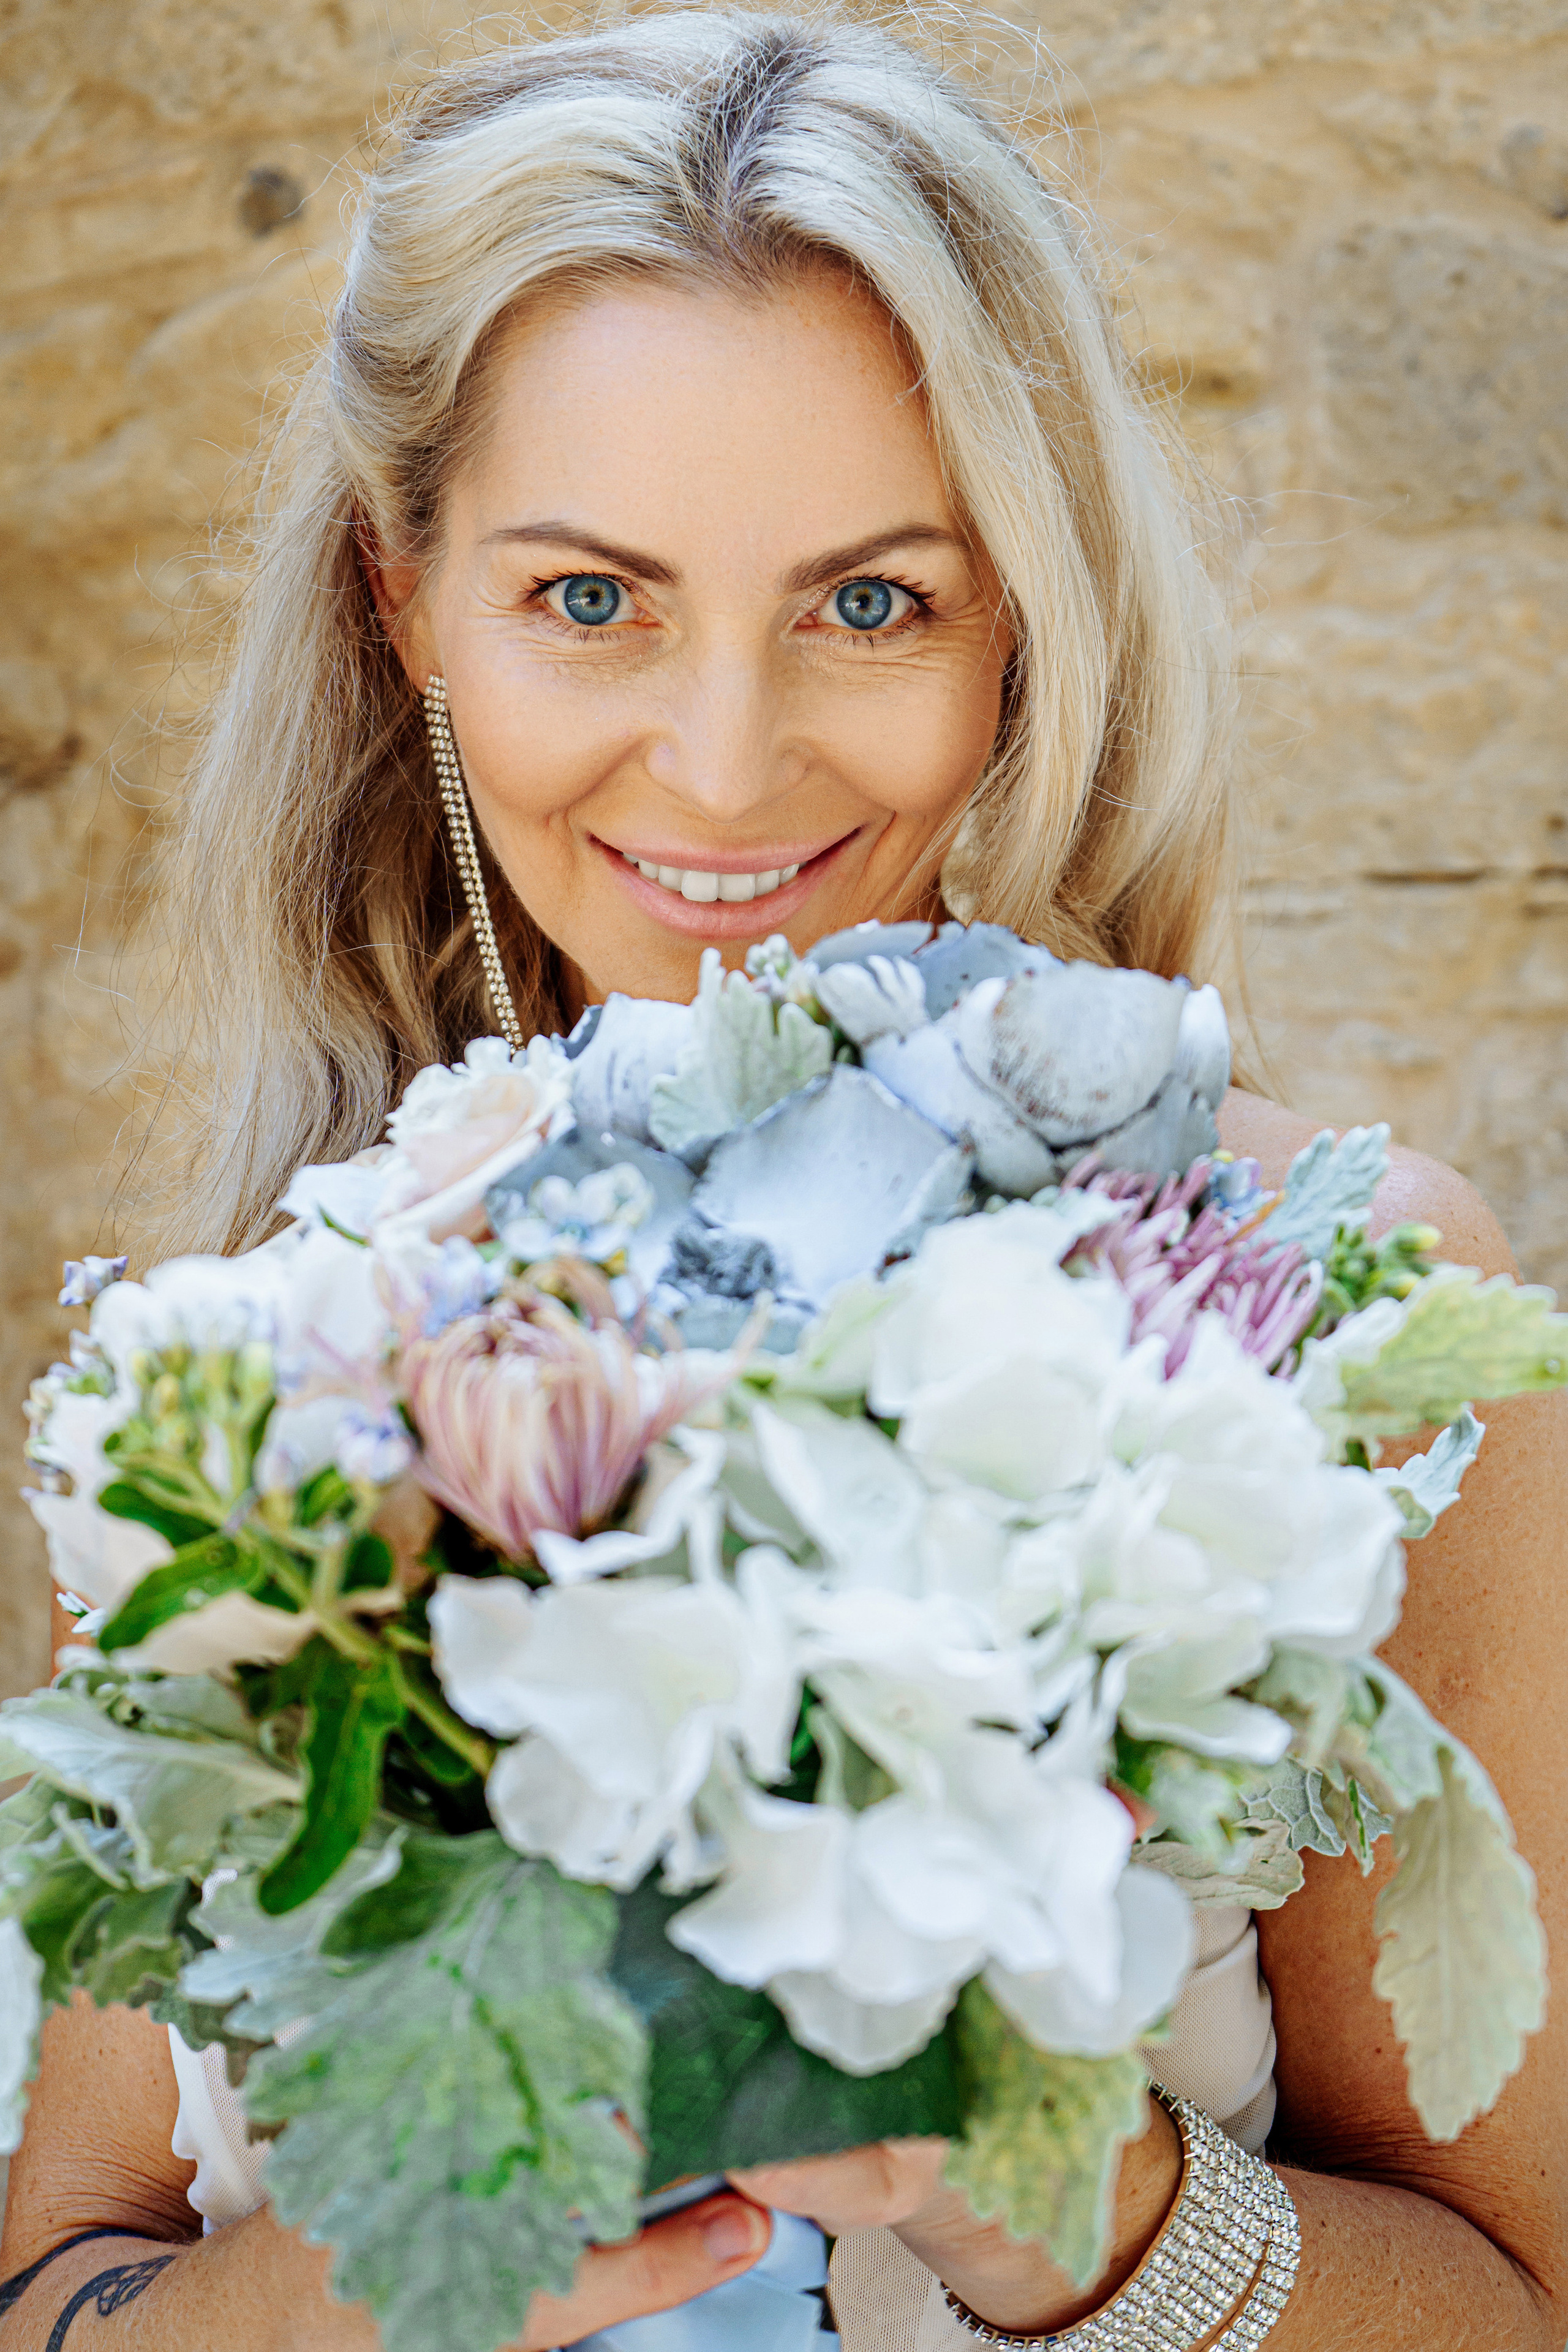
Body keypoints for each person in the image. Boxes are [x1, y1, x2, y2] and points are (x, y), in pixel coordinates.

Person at [1, 12, 1564, 2351]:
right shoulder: (272, 1354)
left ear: (1023, 617)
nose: (724, 775)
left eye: (870, 603)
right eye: (590, 599)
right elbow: (64, 2280)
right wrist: (352, 2294)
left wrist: (1072, 2199)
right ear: (406, 601)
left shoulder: (1318, 1311)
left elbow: (1522, 2302)